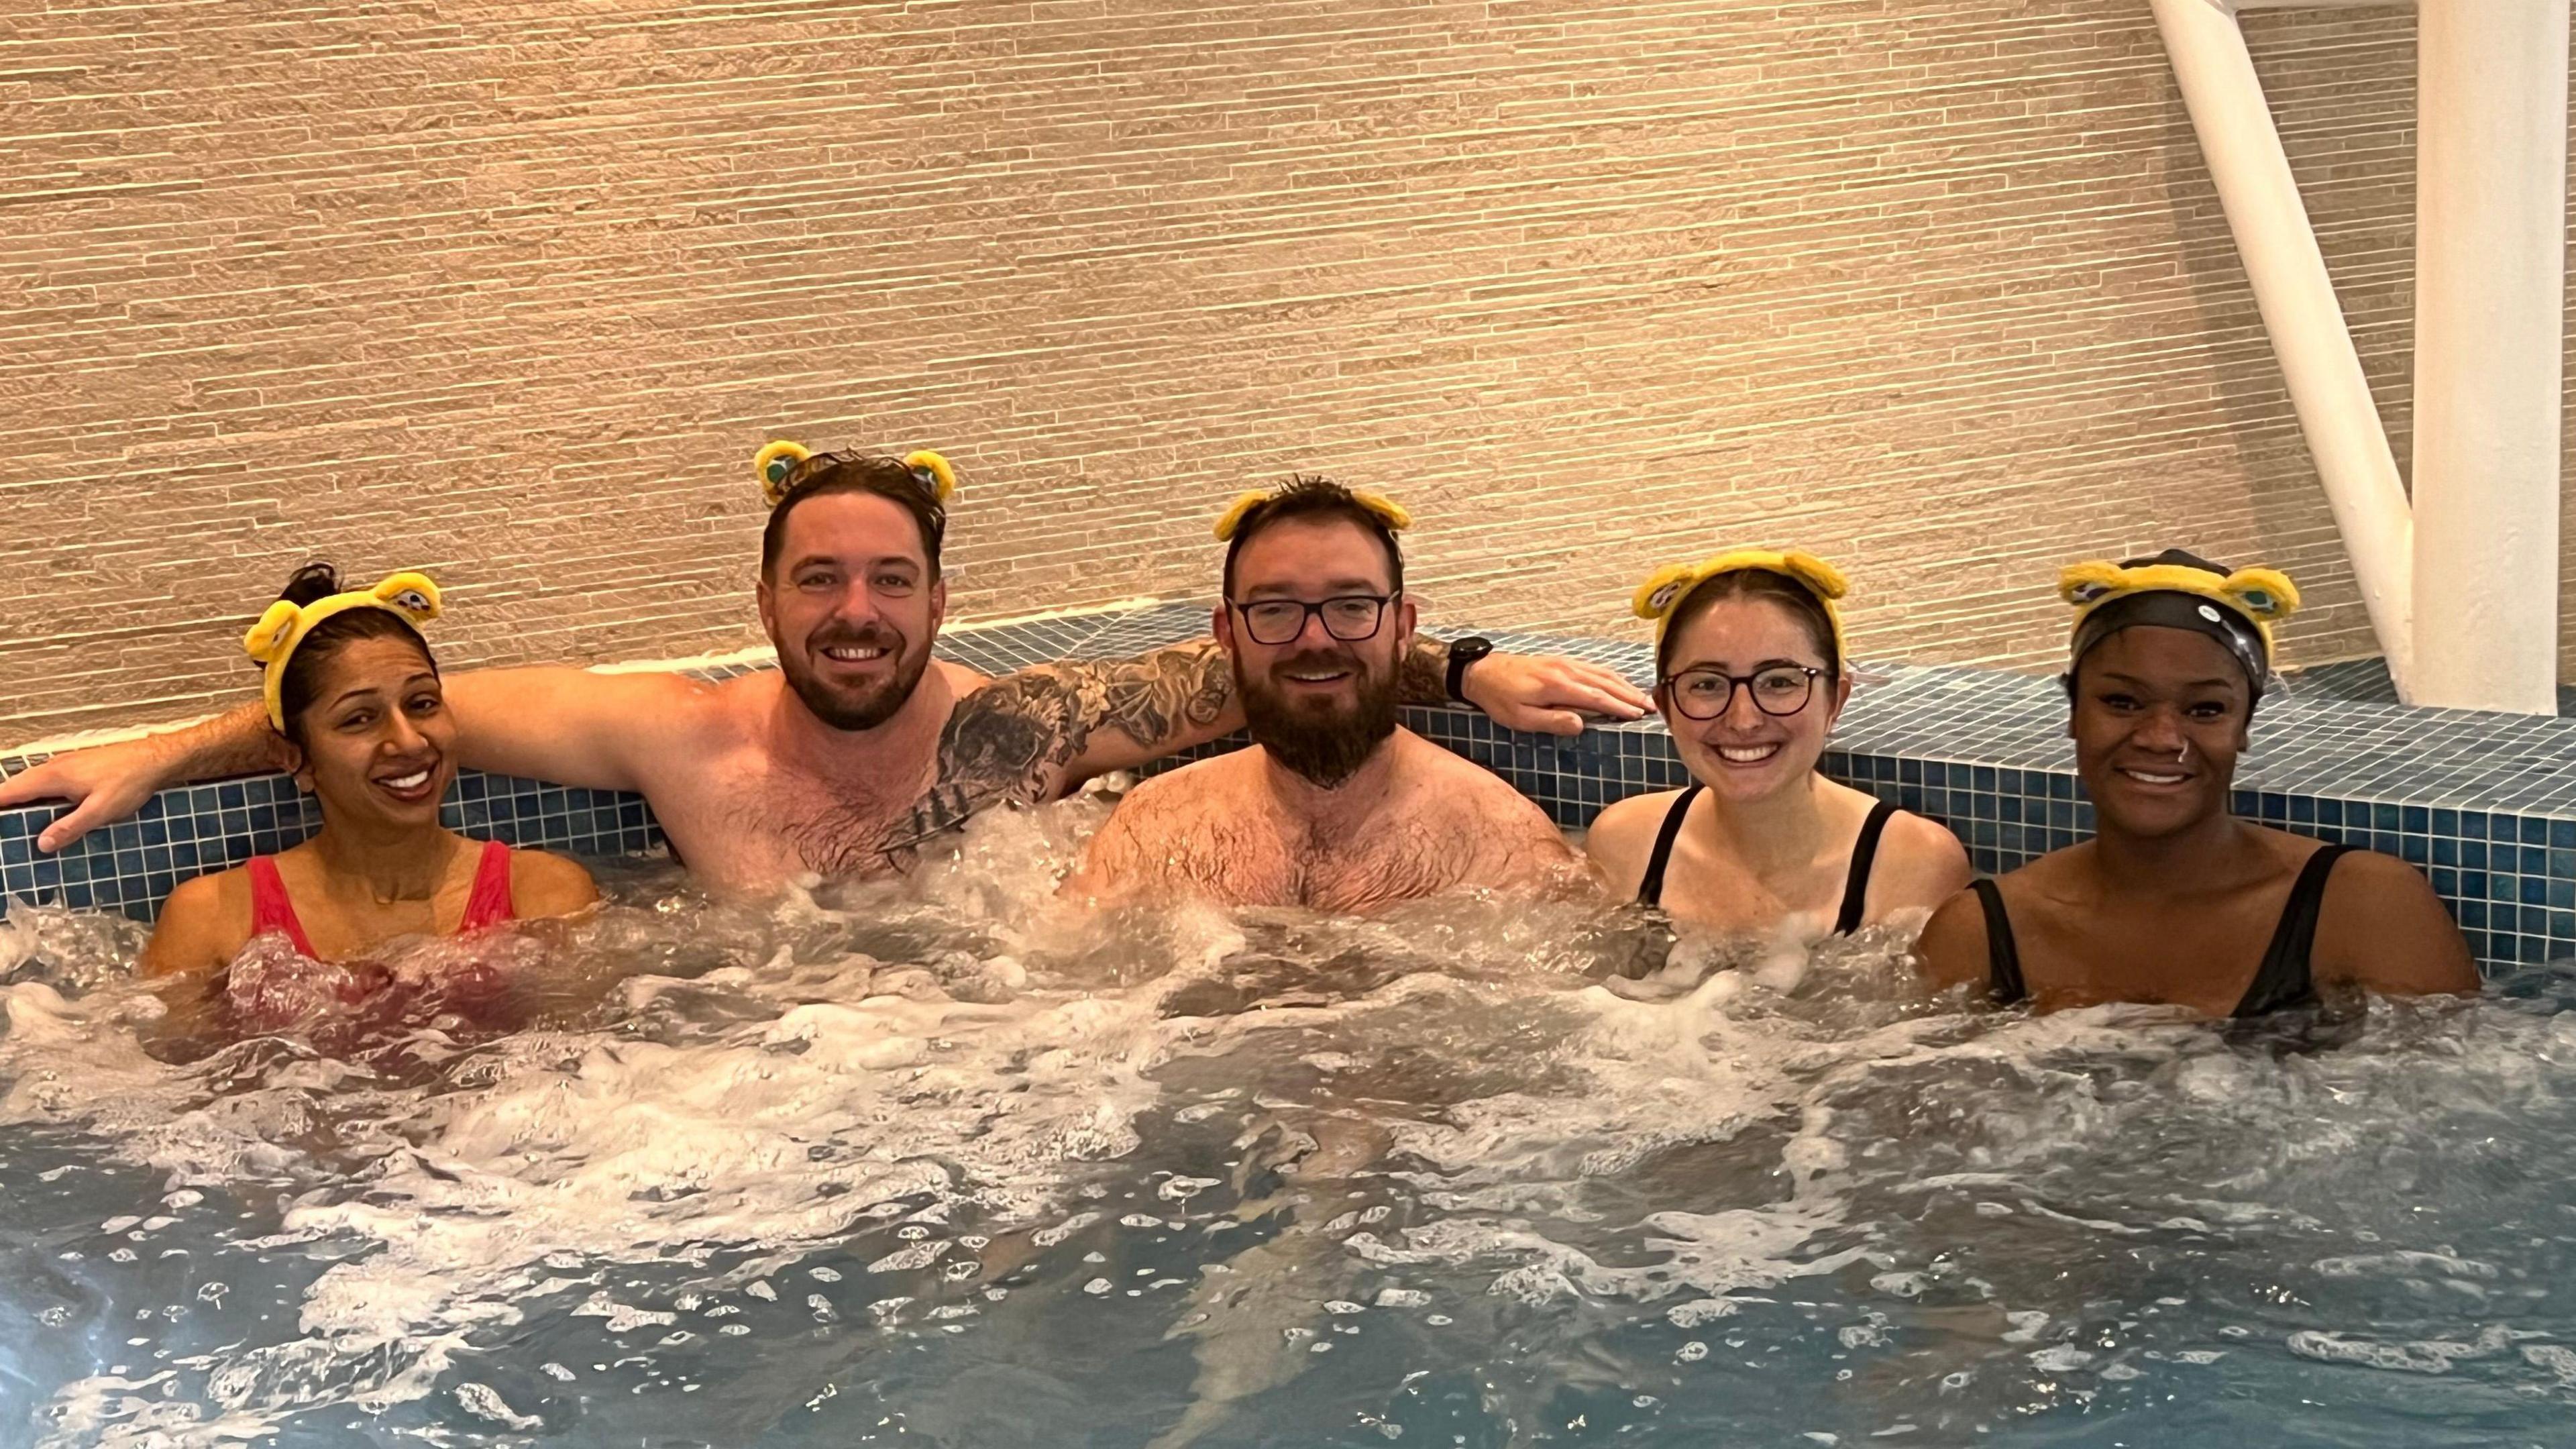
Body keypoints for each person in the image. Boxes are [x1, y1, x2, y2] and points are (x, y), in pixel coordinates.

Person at [0, 442, 1648, 894]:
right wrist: (167, 748)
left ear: (939, 600)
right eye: (820, 579)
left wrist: (1468, 665)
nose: (855, 612)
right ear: (768, 597)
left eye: (889, 580)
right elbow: (390, 714)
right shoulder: (672, 737)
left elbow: (1293, 660)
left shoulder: (1034, 726)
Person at [1913, 550, 2479, 1016]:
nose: (2161, 738)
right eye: (2121, 702)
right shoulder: (1980, 935)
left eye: (2205, 710)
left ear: (2244, 728)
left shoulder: (2362, 905)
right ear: (2073, 715)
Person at [1063, 478, 1586, 912]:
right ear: (1227, 633)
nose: (1315, 639)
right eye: (1275, 609)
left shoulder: (1503, 850)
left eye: (1351, 606)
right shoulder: (1152, 828)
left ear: (1403, 629)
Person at [142, 566, 598, 1024]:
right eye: (359, 719)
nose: (410, 742)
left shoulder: (546, 897)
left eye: (422, 704)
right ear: (293, 758)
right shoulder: (212, 921)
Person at [1586, 549, 1970, 936]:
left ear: (1835, 700)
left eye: (1780, 682)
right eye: (1706, 685)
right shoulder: (1627, 843)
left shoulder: (1913, 864)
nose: (1743, 719)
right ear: (1667, 706)